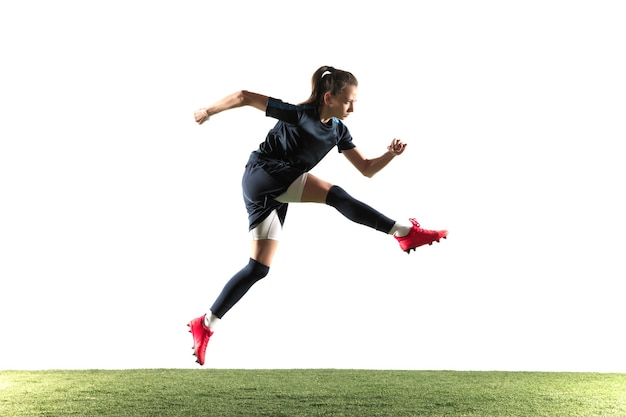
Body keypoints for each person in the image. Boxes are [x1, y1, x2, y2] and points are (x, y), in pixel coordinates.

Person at [187, 66, 447, 365]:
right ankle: (403, 232)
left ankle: (205, 324)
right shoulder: (298, 114)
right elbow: (244, 96)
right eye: (349, 100)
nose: (353, 107)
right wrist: (208, 111)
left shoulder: (338, 130)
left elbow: (367, 169)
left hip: (278, 187)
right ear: (328, 97)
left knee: (258, 268)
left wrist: (390, 154)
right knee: (334, 195)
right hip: (262, 175)